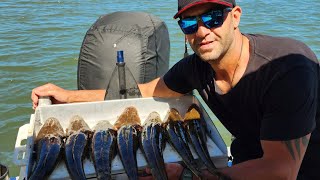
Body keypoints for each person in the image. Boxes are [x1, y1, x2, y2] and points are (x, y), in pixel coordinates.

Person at [32, 0, 319, 179]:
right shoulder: (196, 67)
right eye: (190, 23)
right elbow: (143, 90)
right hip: (245, 160)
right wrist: (68, 96)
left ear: (236, 16)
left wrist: (193, 175)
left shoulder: (287, 69)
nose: (202, 31)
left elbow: (281, 170)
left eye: (213, 17)